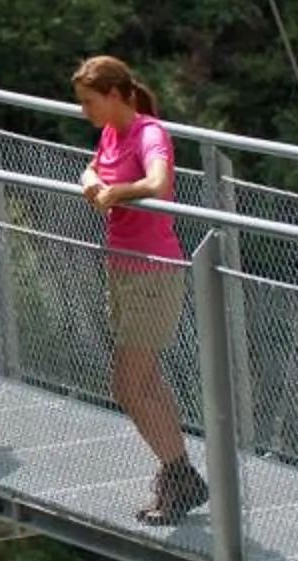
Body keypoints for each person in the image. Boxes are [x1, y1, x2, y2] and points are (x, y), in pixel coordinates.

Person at [74, 55, 207, 525]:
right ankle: (178, 474)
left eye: (89, 102)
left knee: (127, 387)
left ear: (114, 95)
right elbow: (91, 169)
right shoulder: (111, 132)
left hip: (153, 272)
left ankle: (180, 474)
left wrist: (118, 192)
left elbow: (159, 183)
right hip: (123, 268)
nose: (84, 111)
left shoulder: (149, 133)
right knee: (146, 381)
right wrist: (94, 182)